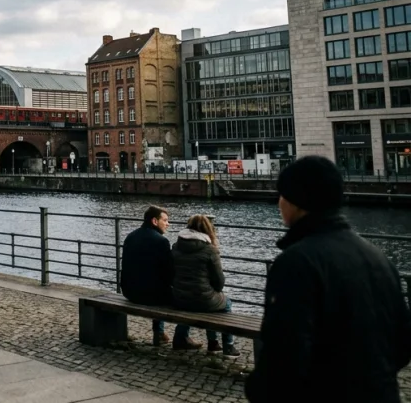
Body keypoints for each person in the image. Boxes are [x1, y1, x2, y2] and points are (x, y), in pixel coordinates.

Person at [245, 156, 411, 402]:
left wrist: (257, 389)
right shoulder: (377, 257)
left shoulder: (297, 262)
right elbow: (401, 344)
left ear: (297, 201)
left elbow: (284, 356)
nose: (279, 203)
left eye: (282, 195)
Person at [120, 205, 196, 349]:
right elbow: (169, 273)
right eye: (165, 220)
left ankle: (159, 333)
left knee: (156, 286)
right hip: (150, 296)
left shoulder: (131, 236)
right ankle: (181, 337)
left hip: (129, 291)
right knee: (186, 297)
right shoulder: (161, 242)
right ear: (155, 221)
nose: (168, 224)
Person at [171, 214, 238, 357]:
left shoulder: (176, 246)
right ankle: (227, 346)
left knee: (193, 302)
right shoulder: (210, 250)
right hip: (202, 299)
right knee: (225, 304)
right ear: (208, 229)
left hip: (179, 298)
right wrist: (215, 290)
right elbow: (219, 281)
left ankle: (180, 338)